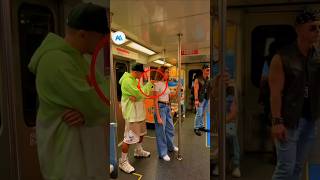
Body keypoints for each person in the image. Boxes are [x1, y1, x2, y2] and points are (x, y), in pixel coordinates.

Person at [28, 3, 109, 179]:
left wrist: (87, 112)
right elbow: (99, 102)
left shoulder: (77, 59)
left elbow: (106, 94)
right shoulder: (55, 61)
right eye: (101, 38)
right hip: (65, 161)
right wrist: (91, 108)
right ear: (83, 34)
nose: (102, 45)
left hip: (80, 160)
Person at [269, 10, 320, 180]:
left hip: (310, 119)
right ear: (299, 30)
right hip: (289, 120)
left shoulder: (316, 57)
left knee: (298, 167)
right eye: (312, 28)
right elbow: (275, 93)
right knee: (286, 169)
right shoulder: (282, 57)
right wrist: (277, 121)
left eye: (319, 28)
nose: (317, 32)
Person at [118, 63, 154, 173]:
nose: (142, 75)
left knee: (142, 134)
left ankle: (138, 151)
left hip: (140, 114)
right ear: (137, 72)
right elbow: (141, 93)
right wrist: (148, 86)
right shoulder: (127, 81)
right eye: (141, 73)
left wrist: (139, 95)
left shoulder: (135, 80)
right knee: (128, 139)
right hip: (132, 115)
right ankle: (123, 161)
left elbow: (140, 94)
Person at [153, 66, 179, 161]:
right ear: (162, 73)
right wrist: (158, 116)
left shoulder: (165, 84)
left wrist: (176, 91)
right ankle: (163, 153)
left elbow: (169, 96)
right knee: (161, 131)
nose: (168, 74)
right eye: (167, 72)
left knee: (170, 128)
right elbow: (155, 101)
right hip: (160, 108)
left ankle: (170, 146)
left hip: (167, 107)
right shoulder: (156, 85)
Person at [225, 85, 241, 178]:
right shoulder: (229, 98)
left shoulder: (230, 99)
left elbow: (233, 113)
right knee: (232, 143)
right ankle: (235, 165)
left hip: (227, 122)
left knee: (232, 141)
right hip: (227, 122)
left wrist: (223, 120)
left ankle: (235, 165)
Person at [194, 64, 210, 136]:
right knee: (199, 114)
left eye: (209, 70)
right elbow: (196, 90)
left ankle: (201, 126)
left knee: (203, 113)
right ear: (203, 70)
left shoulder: (208, 79)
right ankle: (196, 128)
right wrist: (196, 100)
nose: (208, 71)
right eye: (207, 70)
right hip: (200, 99)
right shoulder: (198, 79)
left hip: (206, 98)